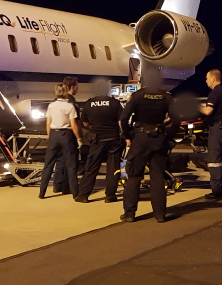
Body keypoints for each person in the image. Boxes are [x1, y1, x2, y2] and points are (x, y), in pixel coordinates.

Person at [119, 69, 180, 223]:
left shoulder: (137, 96)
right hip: (158, 138)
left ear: (144, 81)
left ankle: (130, 213)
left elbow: (124, 118)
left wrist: (127, 136)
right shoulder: (166, 97)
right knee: (158, 177)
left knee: (134, 176)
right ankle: (160, 214)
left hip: (140, 138)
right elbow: (176, 120)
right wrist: (168, 138)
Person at [75, 79, 122, 203]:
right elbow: (121, 122)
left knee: (91, 166)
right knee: (113, 168)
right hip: (113, 138)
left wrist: (93, 127)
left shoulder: (88, 104)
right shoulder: (115, 103)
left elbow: (84, 122)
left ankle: (83, 195)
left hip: (97, 138)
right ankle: (110, 195)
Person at [39, 84, 81, 199]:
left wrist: (51, 136)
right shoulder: (70, 106)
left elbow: (48, 123)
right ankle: (75, 193)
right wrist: (78, 138)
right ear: (67, 91)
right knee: (71, 164)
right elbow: (73, 124)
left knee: (48, 165)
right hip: (66, 135)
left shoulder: (51, 106)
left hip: (54, 134)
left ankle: (42, 192)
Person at [199, 69, 222, 199]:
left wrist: (196, 106)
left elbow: (208, 111)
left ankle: (217, 191)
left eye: (207, 79)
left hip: (217, 129)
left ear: (213, 79)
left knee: (214, 160)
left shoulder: (215, 92)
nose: (206, 81)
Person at [53, 76, 80, 193]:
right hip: (68, 133)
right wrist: (79, 137)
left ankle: (57, 185)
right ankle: (67, 186)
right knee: (70, 161)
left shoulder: (56, 101)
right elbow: (75, 122)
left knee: (60, 160)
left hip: (56, 134)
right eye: (77, 86)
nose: (77, 89)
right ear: (72, 87)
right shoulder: (71, 102)